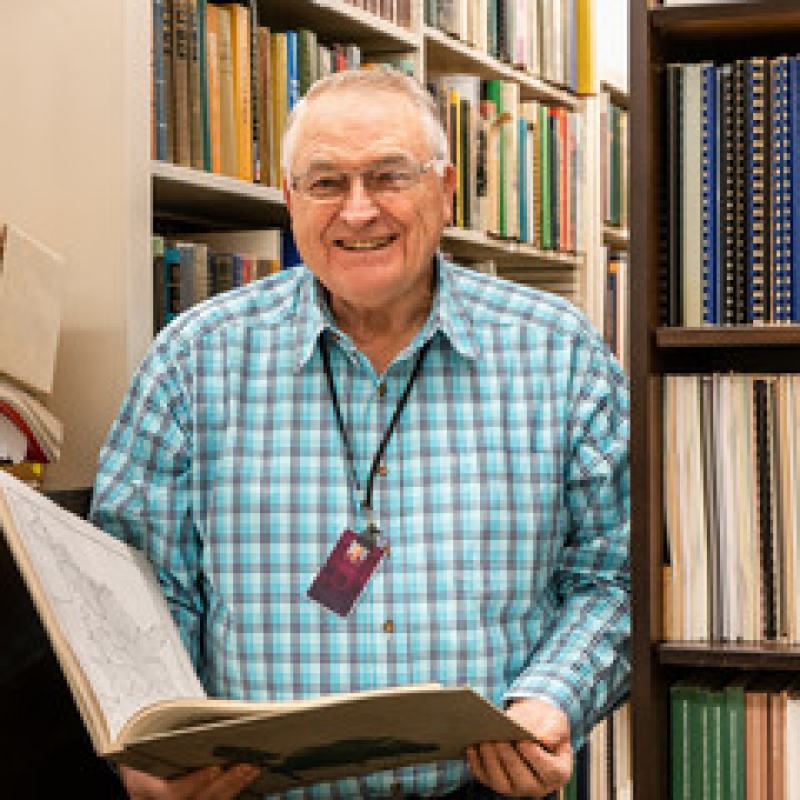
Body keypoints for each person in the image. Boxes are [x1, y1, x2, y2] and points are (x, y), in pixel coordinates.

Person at [90, 67, 630, 800]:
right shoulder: (192, 360)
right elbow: (133, 593)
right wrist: (145, 755)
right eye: (325, 183)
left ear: (443, 192)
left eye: (388, 176)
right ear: (290, 202)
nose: (359, 209)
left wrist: (552, 699)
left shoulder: (559, 352)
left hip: (481, 792)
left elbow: (611, 575)